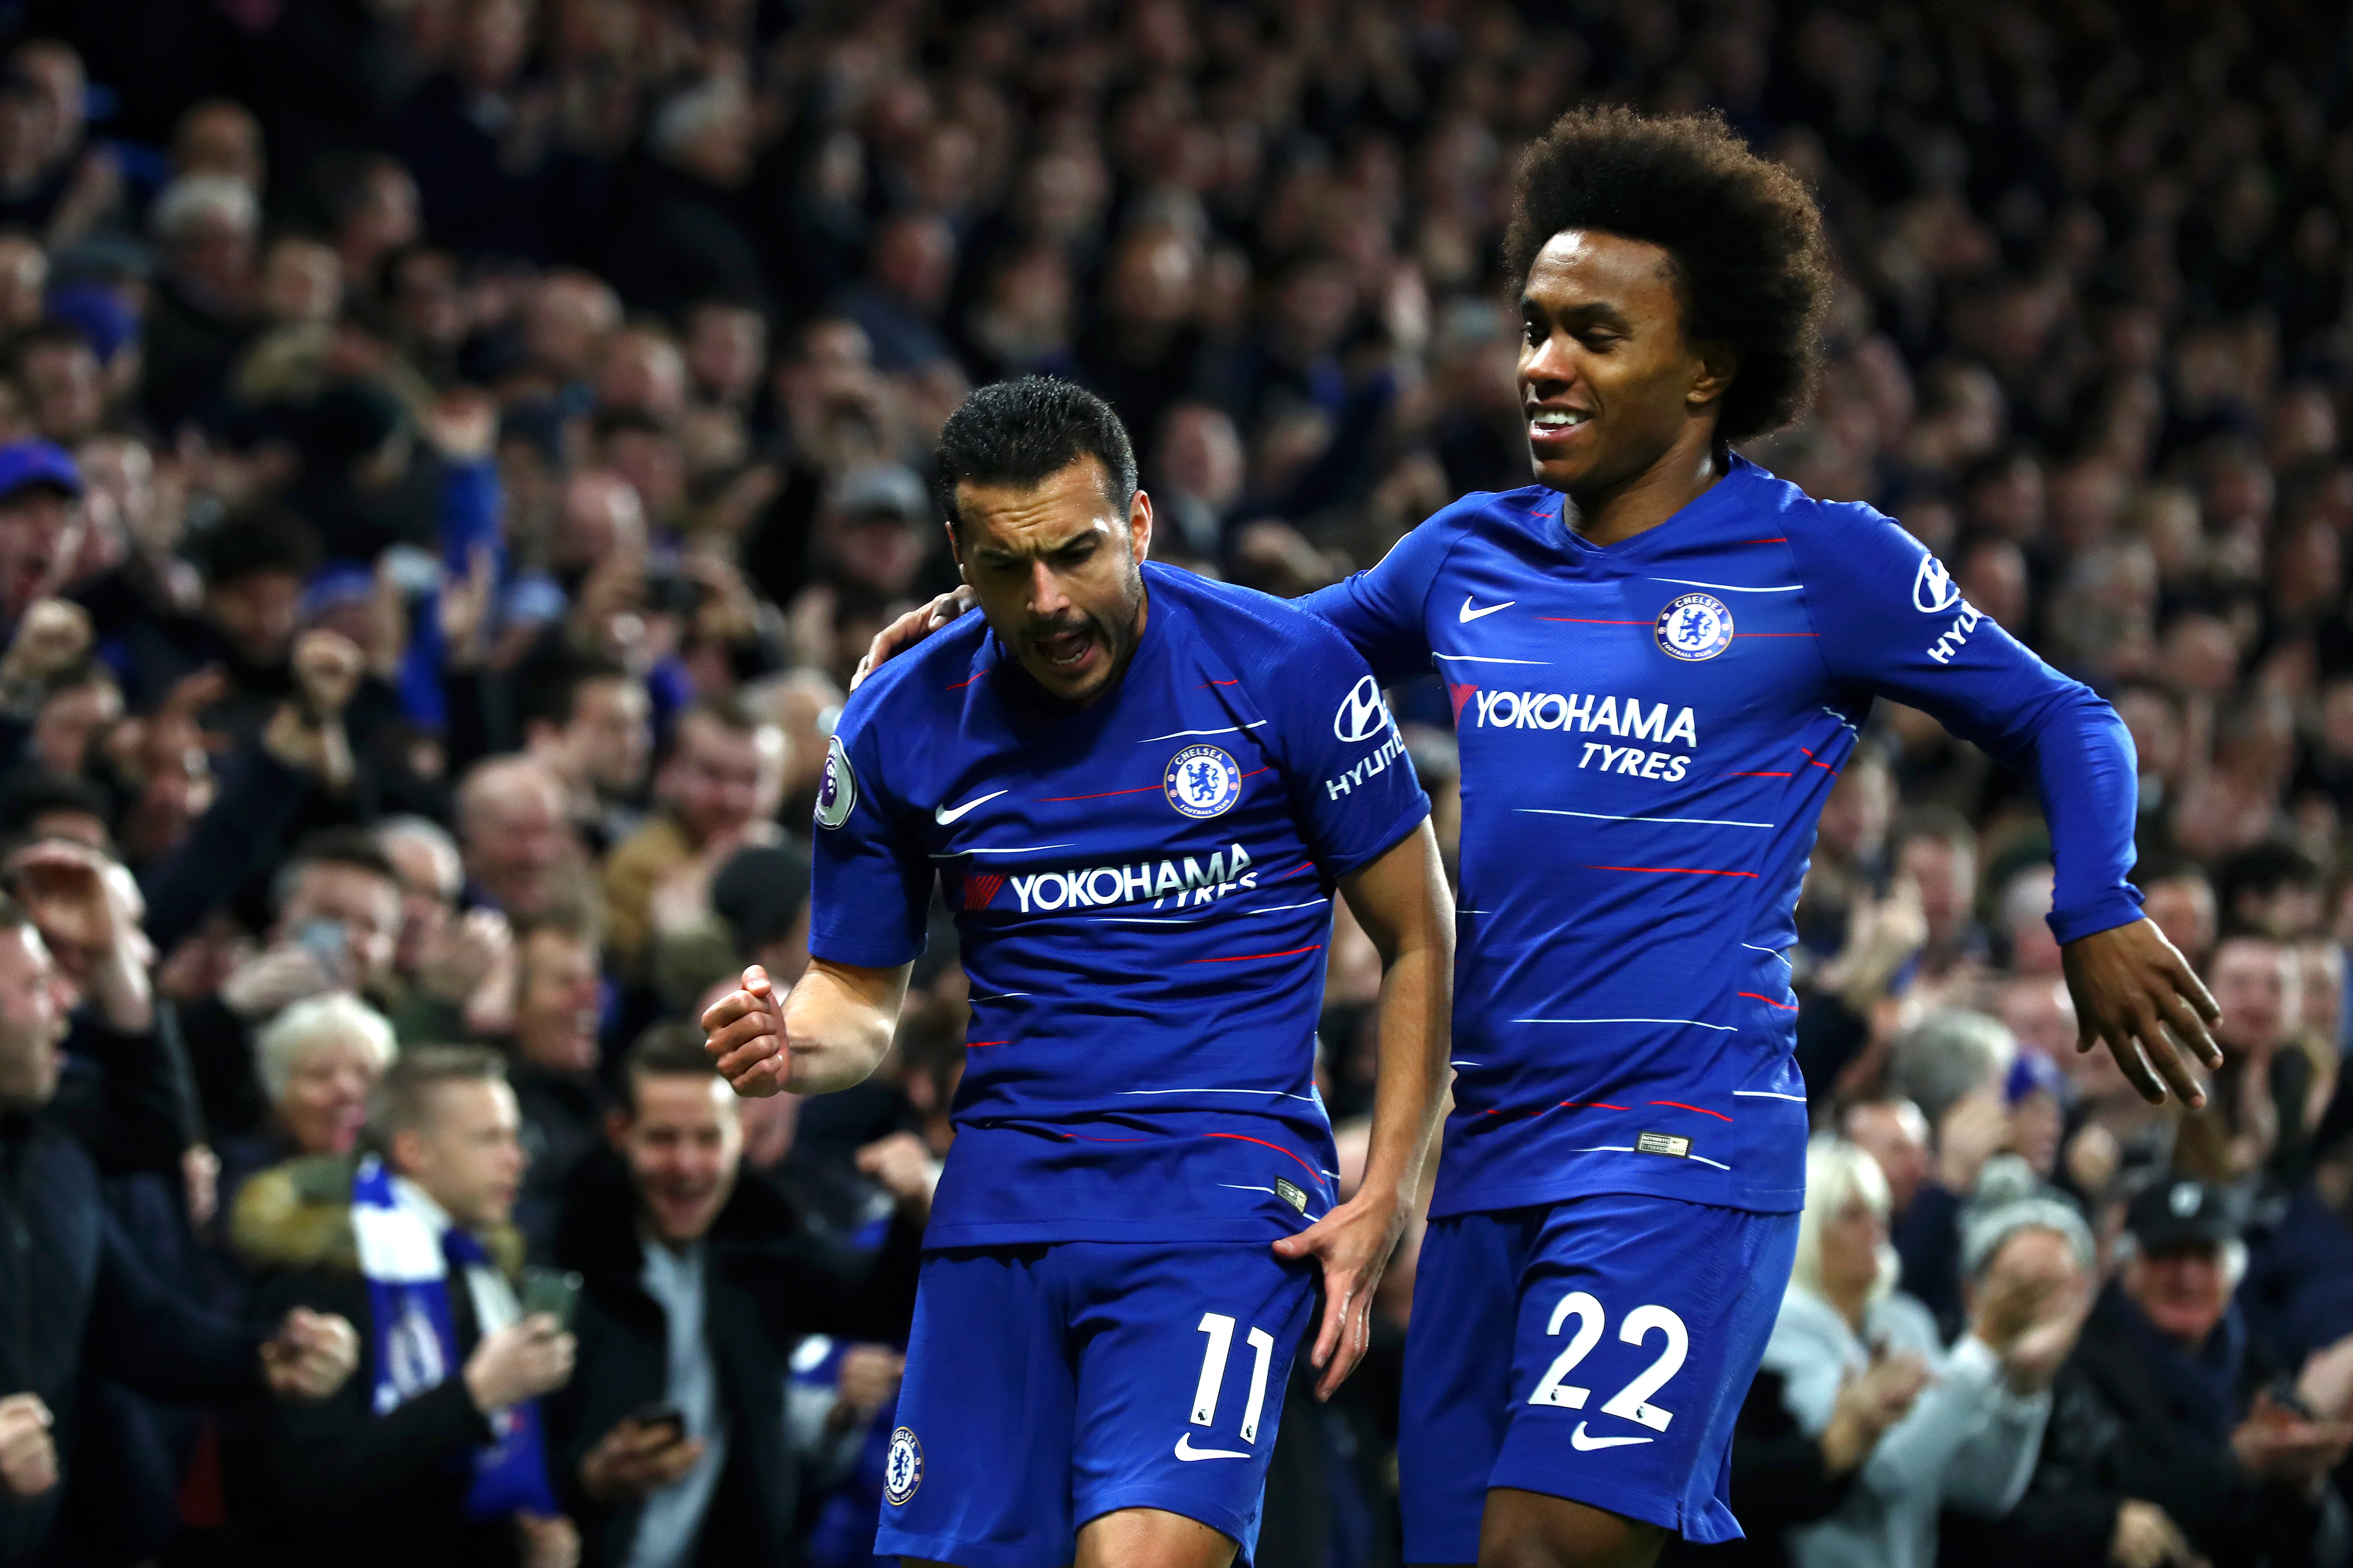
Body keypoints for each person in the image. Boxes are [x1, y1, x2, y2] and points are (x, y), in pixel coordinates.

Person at [859, 108, 2219, 1567]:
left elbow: (2068, 719)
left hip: (1679, 1143)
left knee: (1544, 1550)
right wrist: (1014, 622)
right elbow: (1231, 678)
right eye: (1532, 325)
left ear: (1707, 369)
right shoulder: (1464, 553)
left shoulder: (1823, 561)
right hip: (1492, 1153)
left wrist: (2095, 902)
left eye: (1592, 334)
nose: (1540, 363)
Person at [703, 377, 1453, 1568]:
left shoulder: (1284, 671)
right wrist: (792, 1047)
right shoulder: (898, 719)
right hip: (999, 1210)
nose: (1049, 600)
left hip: (1219, 1202)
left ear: (1140, 524)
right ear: (958, 552)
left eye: (1077, 553)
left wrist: (1391, 1195)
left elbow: (1420, 933)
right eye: (1007, 566)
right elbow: (854, 998)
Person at [0, 893, 360, 1566]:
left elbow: (135, 1326)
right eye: (34, 987)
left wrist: (261, 1356)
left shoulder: (53, 1158)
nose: (63, 1009)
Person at [543, 1028, 924, 1568]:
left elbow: (870, 1303)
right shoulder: (563, 1254)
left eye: (707, 1139)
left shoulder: (764, 1236)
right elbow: (513, 1449)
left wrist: (911, 1210)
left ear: (740, 1138)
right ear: (620, 1133)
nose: (688, 1166)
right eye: (662, 1139)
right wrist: (590, 1478)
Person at [233, 1046, 581, 1568]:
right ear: (414, 1151)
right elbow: (308, 1483)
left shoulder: (479, 1268)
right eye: (491, 1139)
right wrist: (476, 1393)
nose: (517, 1158)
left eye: (515, 1137)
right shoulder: (322, 1279)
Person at [1942, 1177, 2353, 1568]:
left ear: (2233, 1271)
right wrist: (2236, 1466)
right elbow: (2086, 1495)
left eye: (2205, 1256)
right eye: (2167, 1255)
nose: (2187, 1275)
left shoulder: (2259, 1370)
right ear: (2129, 1266)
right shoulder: (2076, 1363)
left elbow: (2321, 1550)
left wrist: (2305, 1489)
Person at [1760, 1139, 2088, 1568]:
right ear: (1805, 1226)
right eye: (1851, 1215)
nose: (1875, 1228)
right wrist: (1984, 1345)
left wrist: (2024, 1389)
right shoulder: (1777, 1329)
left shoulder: (1906, 1322)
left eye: (1879, 1211)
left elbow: (1980, 1487)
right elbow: (1883, 1473)